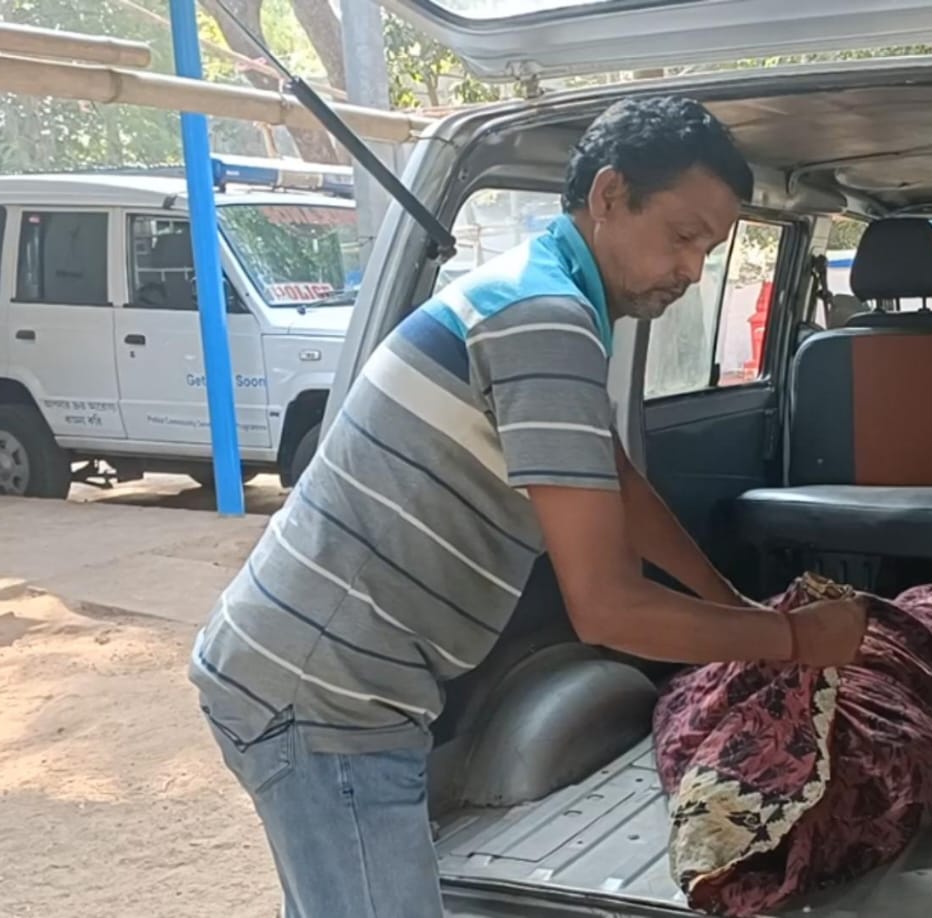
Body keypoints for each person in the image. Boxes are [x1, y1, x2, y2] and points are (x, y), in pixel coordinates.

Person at [188, 96, 870, 918]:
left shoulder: (541, 289)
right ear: (610, 195)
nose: (693, 270)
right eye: (683, 236)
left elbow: (615, 479)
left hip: (318, 675)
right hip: (327, 693)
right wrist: (792, 640)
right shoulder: (545, 320)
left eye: (710, 249)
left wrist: (732, 606)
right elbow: (607, 609)